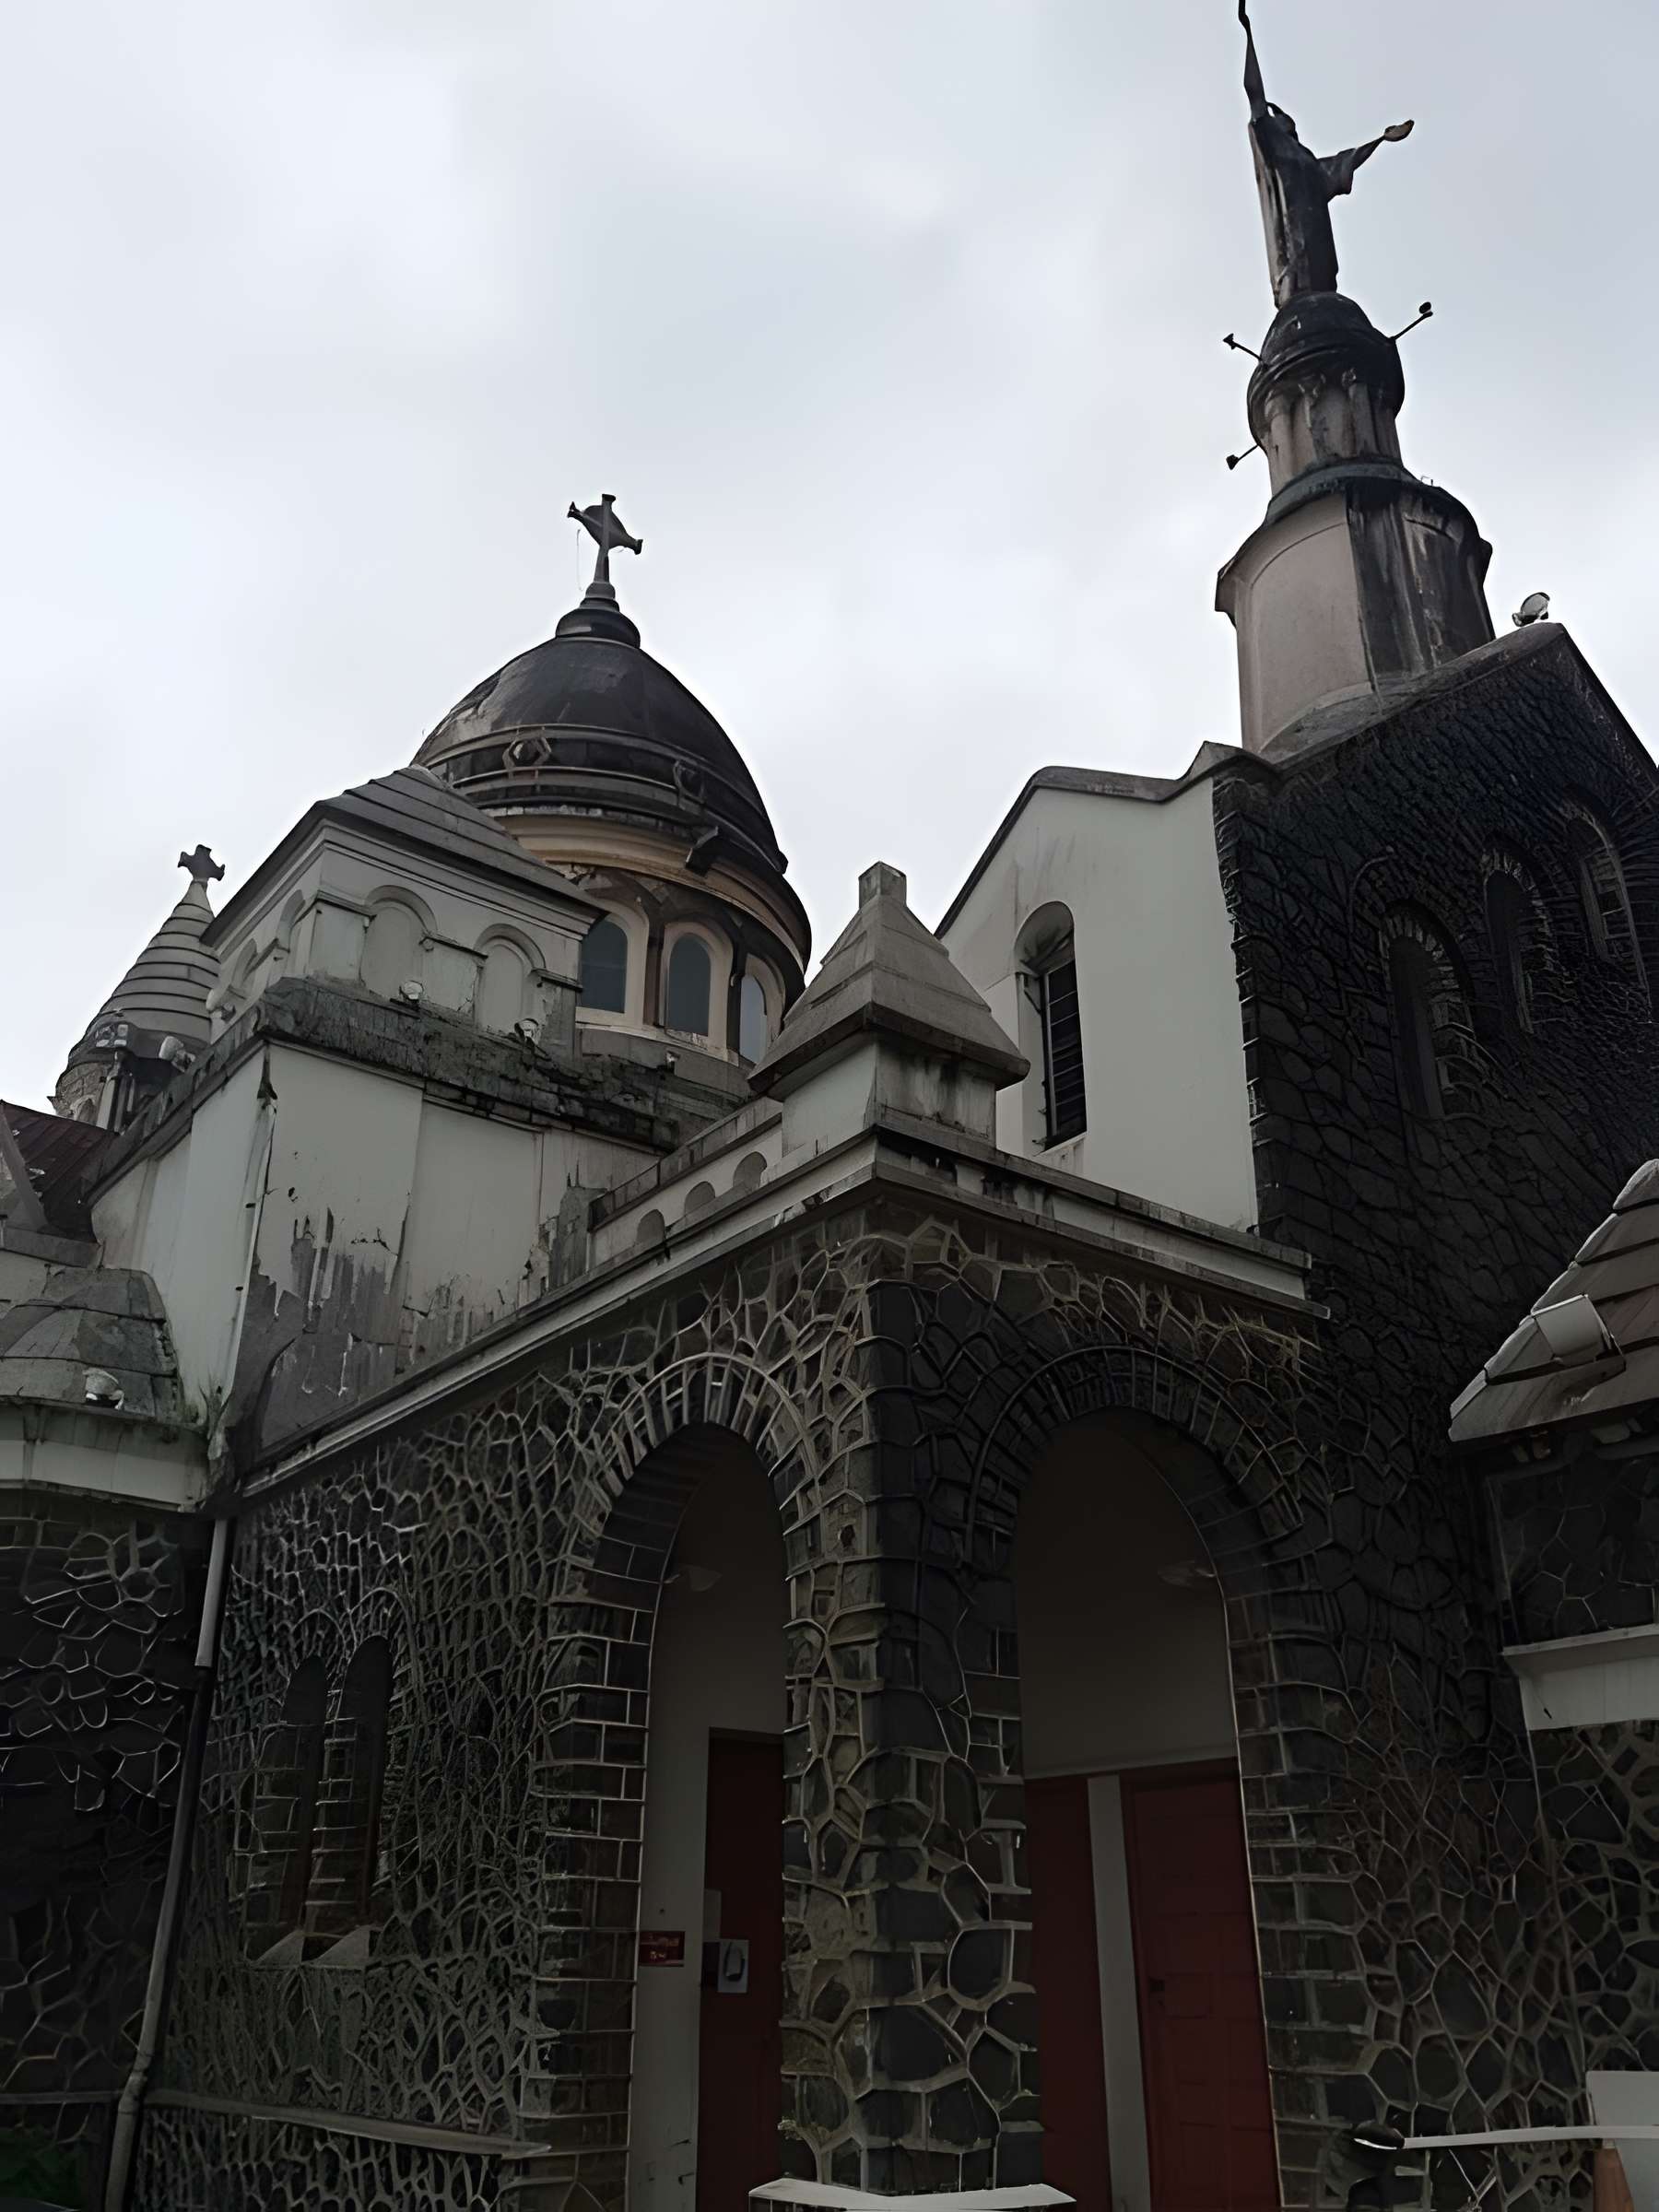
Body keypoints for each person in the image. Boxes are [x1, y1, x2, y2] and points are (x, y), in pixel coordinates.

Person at [1240, 0, 1413, 307]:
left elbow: (1350, 158)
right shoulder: (1274, 156)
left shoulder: (1308, 165)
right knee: (1301, 293)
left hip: (1319, 254)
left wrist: (1382, 139)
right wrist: (1248, 32)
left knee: (1325, 292)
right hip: (1291, 264)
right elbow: (1255, 95)